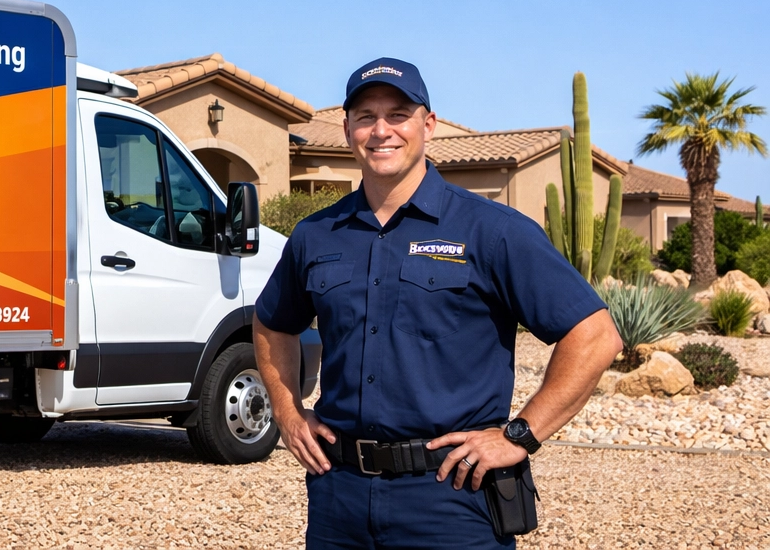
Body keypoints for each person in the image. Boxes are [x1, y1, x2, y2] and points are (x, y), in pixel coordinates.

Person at [253, 57, 622, 549]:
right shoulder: (316, 235)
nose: (381, 130)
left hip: (451, 497)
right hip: (337, 496)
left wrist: (519, 436)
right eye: (365, 116)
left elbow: (595, 335)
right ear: (347, 130)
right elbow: (272, 323)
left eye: (398, 114)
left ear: (428, 126)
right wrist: (288, 412)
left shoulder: (492, 231)